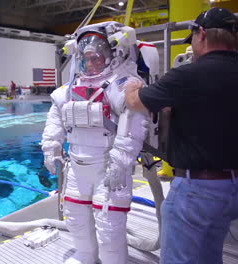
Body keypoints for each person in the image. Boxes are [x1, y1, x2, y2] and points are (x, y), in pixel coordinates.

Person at [124, 7, 238, 264]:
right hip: (232, 188)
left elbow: (135, 103)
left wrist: (131, 86)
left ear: (202, 34)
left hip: (197, 191)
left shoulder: (187, 76)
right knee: (209, 256)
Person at [41, 21, 151, 264]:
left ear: (113, 55)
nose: (90, 64)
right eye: (87, 58)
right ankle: (85, 259)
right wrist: (51, 147)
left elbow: (132, 125)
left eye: (97, 58)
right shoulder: (70, 88)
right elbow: (56, 118)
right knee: (76, 219)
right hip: (78, 168)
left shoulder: (122, 85)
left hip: (108, 167)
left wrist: (121, 163)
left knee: (109, 227)